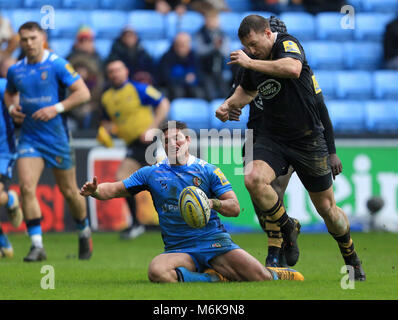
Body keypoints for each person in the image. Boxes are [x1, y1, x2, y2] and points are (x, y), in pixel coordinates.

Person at [216, 15, 365, 280]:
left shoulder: (288, 44)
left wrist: (331, 150)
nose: (251, 50)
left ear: (267, 33)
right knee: (254, 180)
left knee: (327, 209)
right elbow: (246, 92)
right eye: (247, 47)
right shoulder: (252, 63)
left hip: (307, 139)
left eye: (253, 44)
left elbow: (293, 69)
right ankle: (287, 228)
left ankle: (350, 255)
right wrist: (228, 105)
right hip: (272, 138)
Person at [81, 120, 304, 283]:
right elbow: (114, 189)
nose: (173, 144)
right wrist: (95, 190)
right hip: (180, 249)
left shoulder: (208, 171)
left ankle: (275, 273)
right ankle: (215, 279)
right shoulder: (151, 174)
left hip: (214, 242)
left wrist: (211, 203)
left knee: (260, 279)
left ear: (187, 140)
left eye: (177, 139)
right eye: (167, 141)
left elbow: (234, 208)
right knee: (156, 271)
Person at [4, 22, 93, 262]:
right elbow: (9, 92)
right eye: (24, 39)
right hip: (30, 137)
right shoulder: (15, 70)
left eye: (33, 38)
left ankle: (84, 232)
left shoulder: (57, 64)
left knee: (70, 192)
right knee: (26, 187)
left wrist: (56, 108)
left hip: (57, 138)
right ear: (20, 42)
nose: (29, 43)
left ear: (42, 38)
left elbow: (83, 93)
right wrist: (12, 107)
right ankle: (37, 246)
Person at [99, 59, 170, 239]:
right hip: (132, 144)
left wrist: (153, 127)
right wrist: (105, 132)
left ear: (126, 72)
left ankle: (173, 221)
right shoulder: (107, 97)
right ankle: (137, 224)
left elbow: (164, 103)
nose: (115, 73)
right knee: (130, 180)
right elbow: (109, 122)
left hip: (149, 142)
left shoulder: (139, 89)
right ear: (108, 75)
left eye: (118, 69)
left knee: (160, 181)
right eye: (111, 71)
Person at [0, 76, 23, 258]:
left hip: (3, 151)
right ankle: (3, 242)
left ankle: (9, 199)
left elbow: (17, 107)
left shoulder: (2, 86)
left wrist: (16, 111)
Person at [193, 8, 230, 101]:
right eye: (211, 19)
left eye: (215, 19)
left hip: (219, 71)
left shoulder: (222, 34)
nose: (214, 22)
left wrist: (218, 48)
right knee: (210, 95)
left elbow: (226, 52)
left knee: (226, 94)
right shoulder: (200, 33)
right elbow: (199, 51)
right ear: (206, 20)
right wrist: (213, 47)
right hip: (205, 71)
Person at [158, 32, 205, 100]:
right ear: (175, 45)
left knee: (199, 92)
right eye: (180, 44)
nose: (182, 47)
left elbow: (200, 74)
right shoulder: (167, 57)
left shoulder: (194, 57)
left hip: (191, 87)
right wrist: (184, 79)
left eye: (185, 44)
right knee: (178, 92)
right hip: (174, 88)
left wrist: (194, 78)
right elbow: (165, 79)